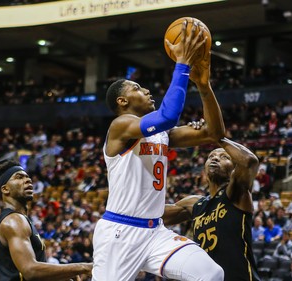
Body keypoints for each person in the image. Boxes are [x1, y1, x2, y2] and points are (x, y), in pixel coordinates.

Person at [92, 19, 225, 281]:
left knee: (211, 274)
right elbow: (167, 116)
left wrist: (203, 86)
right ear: (123, 101)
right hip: (120, 233)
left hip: (155, 233)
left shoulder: (160, 133)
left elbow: (214, 133)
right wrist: (183, 64)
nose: (146, 90)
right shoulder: (120, 126)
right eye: (137, 89)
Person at [163, 137, 261, 281]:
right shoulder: (194, 204)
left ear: (234, 169)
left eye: (224, 157)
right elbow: (154, 215)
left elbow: (249, 162)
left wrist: (217, 136)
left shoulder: (236, 193)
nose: (215, 159)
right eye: (211, 156)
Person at [0, 160, 92, 281]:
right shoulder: (14, 221)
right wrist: (82, 267)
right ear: (5, 189)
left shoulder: (17, 219)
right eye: (19, 177)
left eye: (27, 177)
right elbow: (30, 271)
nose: (28, 180)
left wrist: (62, 275)